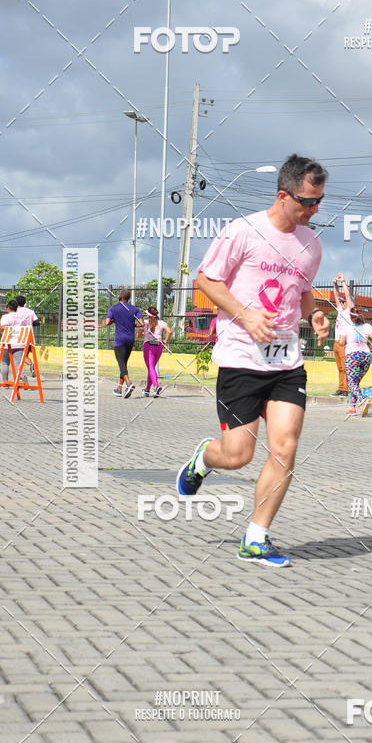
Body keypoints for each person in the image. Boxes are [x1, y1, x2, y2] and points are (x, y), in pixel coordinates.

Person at [176, 153, 329, 567]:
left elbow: (302, 290)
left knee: (284, 448)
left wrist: (314, 313)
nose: (314, 210)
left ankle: (256, 536)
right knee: (238, 454)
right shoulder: (241, 232)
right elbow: (205, 279)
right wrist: (244, 313)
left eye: (319, 202)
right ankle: (204, 459)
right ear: (283, 195)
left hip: (286, 363)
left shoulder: (311, 243)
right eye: (308, 202)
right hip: (241, 358)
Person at [339, 307, 372, 417]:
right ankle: (352, 407)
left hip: (352, 356)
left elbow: (341, 342)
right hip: (365, 356)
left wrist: (346, 343)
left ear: (350, 317)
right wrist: (369, 348)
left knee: (352, 383)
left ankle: (363, 400)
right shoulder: (367, 327)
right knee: (355, 383)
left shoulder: (346, 327)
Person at [104, 289, 142, 398]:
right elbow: (142, 323)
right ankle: (119, 389)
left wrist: (114, 321)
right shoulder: (134, 309)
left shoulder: (114, 308)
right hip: (130, 340)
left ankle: (129, 384)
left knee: (121, 363)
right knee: (124, 364)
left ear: (120, 296)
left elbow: (106, 322)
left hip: (119, 340)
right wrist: (132, 325)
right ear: (128, 297)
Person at [138, 306, 171, 397]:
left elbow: (138, 335)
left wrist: (144, 333)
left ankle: (156, 386)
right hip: (159, 346)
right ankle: (147, 389)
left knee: (151, 368)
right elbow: (170, 331)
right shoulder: (161, 322)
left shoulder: (144, 323)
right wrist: (165, 341)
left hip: (148, 346)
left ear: (148, 315)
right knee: (151, 368)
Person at [330, 273, 352, 397]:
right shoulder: (340, 310)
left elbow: (347, 295)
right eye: (342, 302)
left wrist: (343, 282)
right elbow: (336, 296)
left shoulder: (349, 311)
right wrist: (334, 284)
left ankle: (346, 389)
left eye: (344, 302)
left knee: (345, 367)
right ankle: (340, 388)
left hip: (344, 342)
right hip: (336, 342)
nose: (342, 303)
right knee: (339, 367)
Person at [0, 300, 25, 383]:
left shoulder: (6, 317)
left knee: (4, 363)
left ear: (8, 308)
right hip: (20, 342)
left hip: (8, 343)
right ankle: (24, 380)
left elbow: (4, 327)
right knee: (19, 363)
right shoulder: (22, 317)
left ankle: (5, 382)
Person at [15, 294, 39, 377]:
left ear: (16, 303)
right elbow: (36, 322)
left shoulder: (15, 311)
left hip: (18, 337)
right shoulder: (30, 311)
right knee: (24, 356)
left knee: (18, 356)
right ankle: (28, 368)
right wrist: (29, 323)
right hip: (29, 337)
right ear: (24, 302)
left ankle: (23, 374)